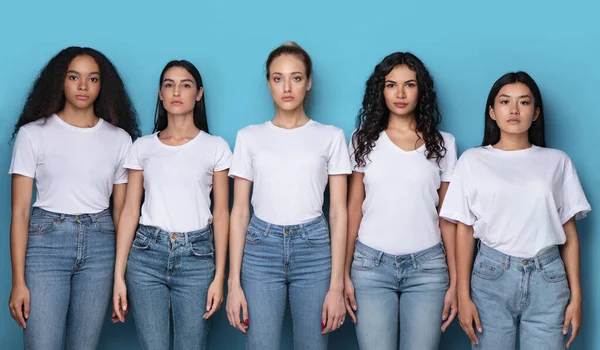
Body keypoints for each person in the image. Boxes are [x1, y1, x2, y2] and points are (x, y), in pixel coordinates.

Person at [440, 71, 591, 349]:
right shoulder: (473, 161)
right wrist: (463, 294)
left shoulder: (557, 161)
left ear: (535, 113)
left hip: (548, 278)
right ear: (492, 112)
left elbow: (568, 232)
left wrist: (577, 298)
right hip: (490, 277)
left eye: (524, 102)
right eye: (505, 101)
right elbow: (465, 229)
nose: (513, 109)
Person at [8, 46, 139, 349]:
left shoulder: (119, 139)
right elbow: (20, 212)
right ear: (60, 81)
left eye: (92, 79)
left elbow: (121, 215)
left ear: (102, 85)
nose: (83, 86)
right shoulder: (33, 134)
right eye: (74, 77)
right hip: (46, 244)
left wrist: (122, 277)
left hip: (100, 245)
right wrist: (18, 282)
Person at [225, 41, 351, 350]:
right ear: (268, 82)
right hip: (260, 248)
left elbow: (338, 211)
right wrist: (233, 282)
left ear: (308, 83)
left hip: (314, 248)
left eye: (296, 77)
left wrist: (336, 286)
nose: (287, 87)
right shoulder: (249, 137)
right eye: (278, 78)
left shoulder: (331, 137)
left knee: (313, 345)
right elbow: (239, 211)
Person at [112, 60, 231, 350]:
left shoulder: (216, 147)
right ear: (161, 94)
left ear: (198, 94)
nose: (177, 91)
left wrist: (219, 276)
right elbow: (130, 211)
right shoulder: (142, 147)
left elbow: (223, 213)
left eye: (186, 85)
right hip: (146, 256)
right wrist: (119, 274)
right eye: (169, 85)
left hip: (197, 257)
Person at [345, 52, 458, 350]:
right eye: (391, 85)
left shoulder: (443, 143)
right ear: (380, 90)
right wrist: (343, 273)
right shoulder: (362, 140)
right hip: (370, 266)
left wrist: (457, 283)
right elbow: (353, 209)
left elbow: (447, 218)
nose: (400, 93)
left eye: (409, 84)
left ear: (421, 90)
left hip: (428, 269)